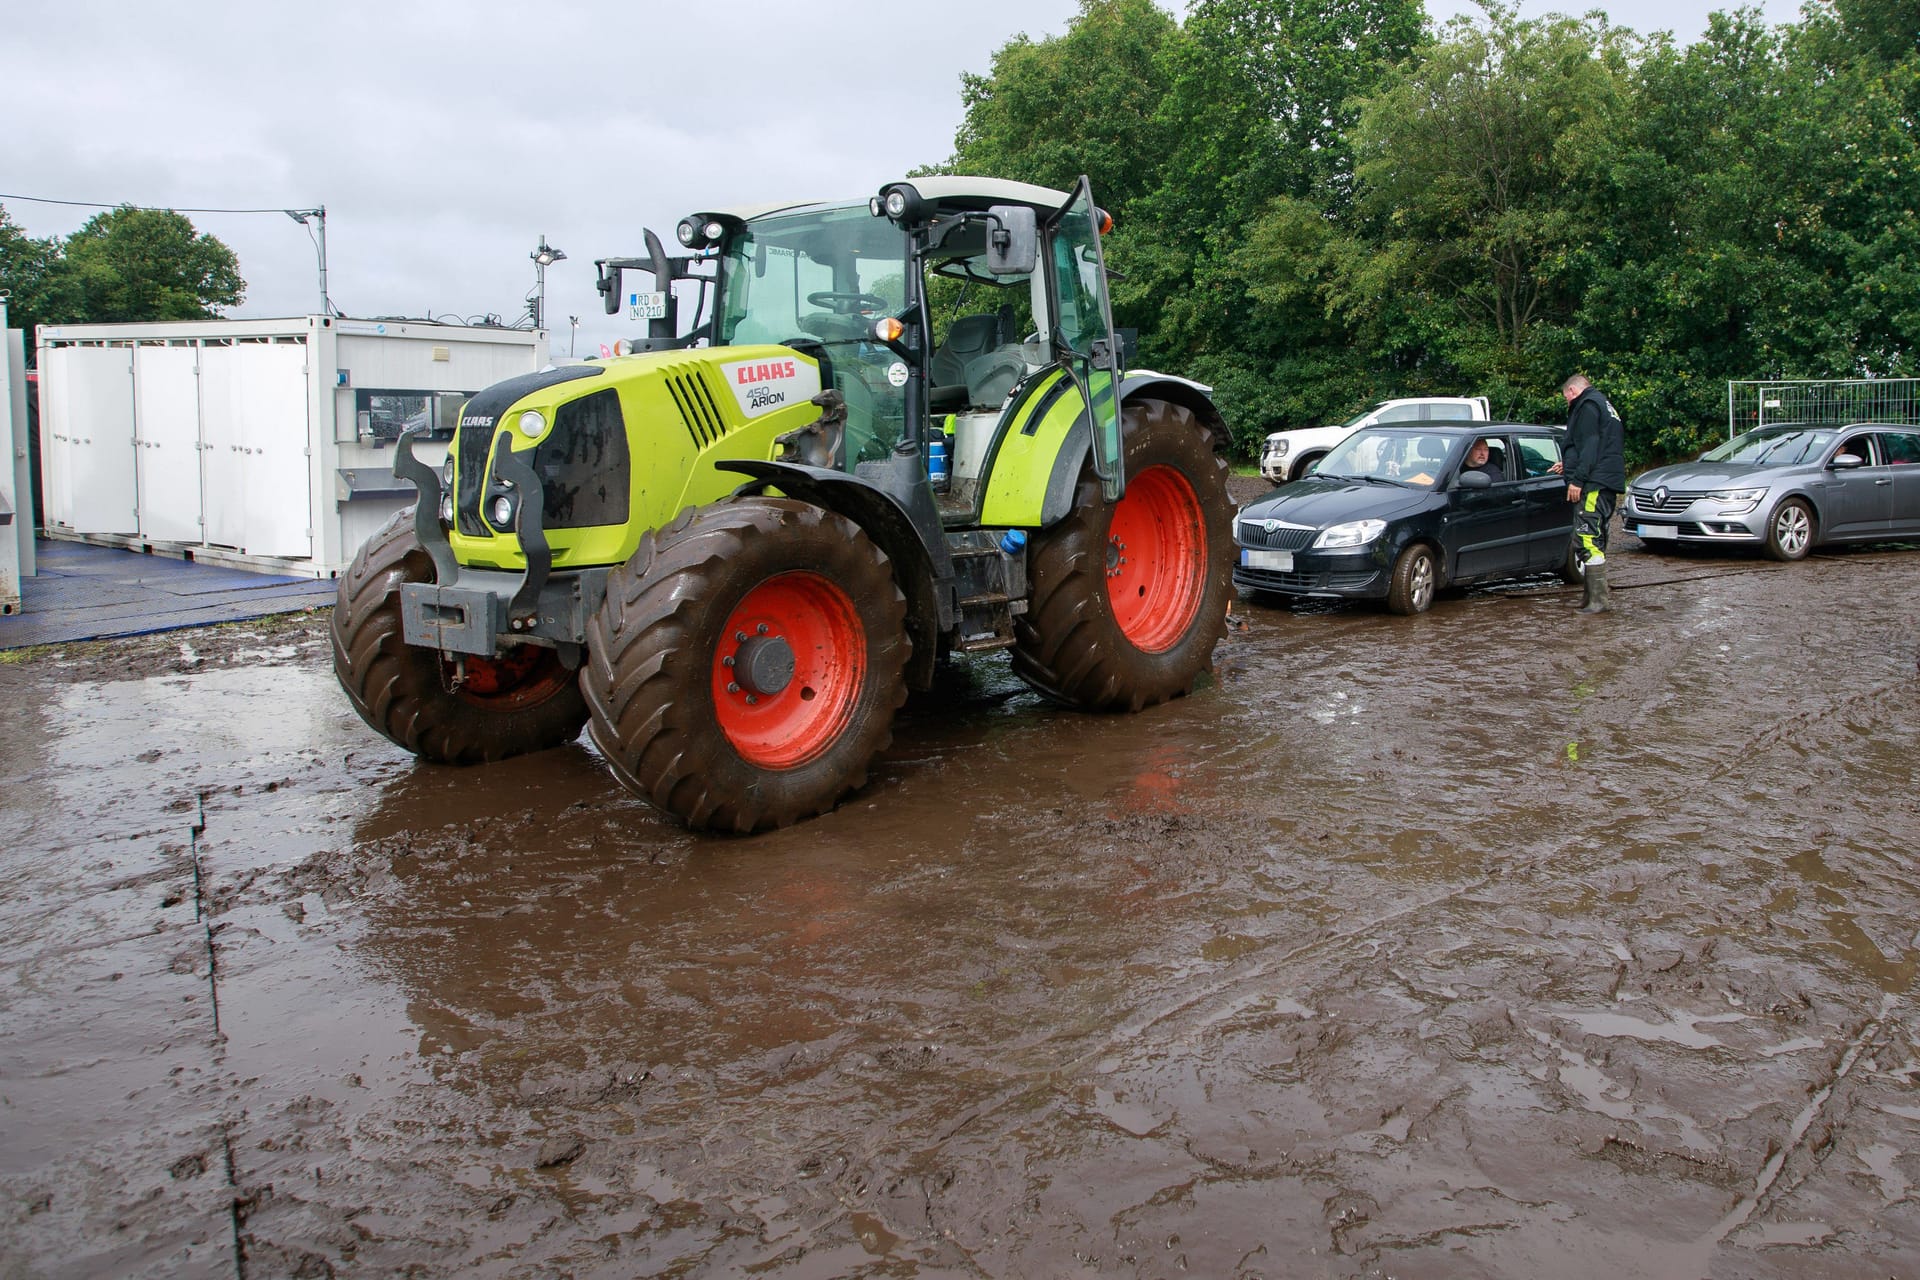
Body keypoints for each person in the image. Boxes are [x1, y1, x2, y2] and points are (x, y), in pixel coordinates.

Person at [1555, 374, 1627, 612]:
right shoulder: (1603, 405)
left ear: (1573, 391)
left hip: (1594, 483)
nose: (1568, 404)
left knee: (1587, 537)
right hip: (1605, 479)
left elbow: (1590, 444)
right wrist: (1568, 463)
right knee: (1594, 537)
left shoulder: (1586, 406)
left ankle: (1598, 602)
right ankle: (1590, 599)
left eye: (1567, 399)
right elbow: (1596, 445)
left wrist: (1577, 480)